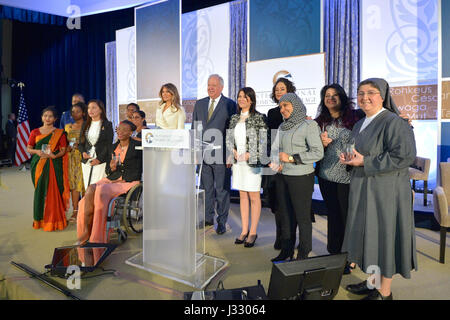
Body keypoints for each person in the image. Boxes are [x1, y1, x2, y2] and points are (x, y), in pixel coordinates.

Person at [340, 78, 417, 300]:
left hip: (387, 193)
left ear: (382, 95)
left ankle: (384, 292)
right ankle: (372, 282)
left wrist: (365, 162)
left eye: (371, 92)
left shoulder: (395, 122)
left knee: (384, 238)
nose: (365, 97)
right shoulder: (360, 123)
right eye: (361, 92)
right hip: (365, 188)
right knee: (370, 237)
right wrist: (350, 159)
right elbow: (361, 153)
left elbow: (404, 156)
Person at [314, 84, 365, 271]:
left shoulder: (356, 117)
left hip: (347, 176)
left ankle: (348, 256)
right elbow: (313, 150)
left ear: (342, 97)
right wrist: (321, 144)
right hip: (326, 175)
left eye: (335, 95)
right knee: (333, 216)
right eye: (327, 95)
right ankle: (334, 252)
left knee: (347, 217)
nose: (331, 98)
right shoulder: (320, 121)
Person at [269, 93, 323, 262]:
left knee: (302, 216)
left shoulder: (309, 125)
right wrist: (275, 160)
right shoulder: (282, 127)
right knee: (285, 215)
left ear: (296, 105)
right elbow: (275, 149)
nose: (282, 109)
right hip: (282, 176)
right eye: (280, 107)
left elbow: (317, 152)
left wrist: (292, 158)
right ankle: (286, 250)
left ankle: (304, 251)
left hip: (301, 177)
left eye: (286, 106)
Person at [76, 120, 142, 244]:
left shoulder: (137, 147)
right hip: (113, 179)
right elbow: (108, 170)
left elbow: (145, 158)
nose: (120, 132)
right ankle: (86, 231)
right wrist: (111, 168)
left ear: (131, 132)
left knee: (100, 193)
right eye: (119, 129)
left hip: (128, 181)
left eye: (124, 129)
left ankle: (96, 237)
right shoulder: (113, 147)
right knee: (87, 193)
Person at [191, 74, 237, 234]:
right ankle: (208, 218)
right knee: (206, 189)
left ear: (221, 87)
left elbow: (232, 131)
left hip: (222, 155)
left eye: (214, 85)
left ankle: (222, 221)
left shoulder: (230, 104)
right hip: (203, 155)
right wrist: (195, 152)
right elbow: (195, 129)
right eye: (209, 85)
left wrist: (230, 152)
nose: (210, 88)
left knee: (222, 190)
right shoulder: (200, 104)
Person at [226, 87, 268, 247]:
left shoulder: (259, 117)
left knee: (253, 196)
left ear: (251, 99)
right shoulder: (234, 118)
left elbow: (264, 141)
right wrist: (233, 151)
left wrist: (251, 154)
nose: (241, 99)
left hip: (253, 162)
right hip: (238, 162)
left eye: (245, 96)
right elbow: (229, 139)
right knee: (242, 195)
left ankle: (253, 232)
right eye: (239, 96)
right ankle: (244, 231)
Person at [26, 106, 70, 231]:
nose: (47, 118)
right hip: (38, 164)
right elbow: (28, 149)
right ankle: (39, 220)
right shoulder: (35, 132)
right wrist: (37, 151)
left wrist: (54, 155)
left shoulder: (60, 133)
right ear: (41, 117)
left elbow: (63, 150)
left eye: (50, 116)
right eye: (45, 115)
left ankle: (55, 220)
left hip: (54, 165)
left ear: (55, 118)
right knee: (40, 191)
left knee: (54, 190)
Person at [266, 78, 297, 250]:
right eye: (276, 89)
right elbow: (270, 139)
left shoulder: (296, 111)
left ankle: (291, 238)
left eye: (282, 88)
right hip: (275, 162)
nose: (279, 92)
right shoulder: (271, 113)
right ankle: (280, 236)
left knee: (291, 203)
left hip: (291, 162)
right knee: (277, 203)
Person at [79, 99, 113, 191]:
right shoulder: (85, 124)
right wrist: (83, 153)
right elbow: (81, 143)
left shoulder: (107, 124)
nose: (90, 110)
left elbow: (108, 145)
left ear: (101, 110)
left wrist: (99, 159)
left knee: (98, 189)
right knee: (88, 187)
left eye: (94, 107)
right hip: (87, 161)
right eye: (89, 108)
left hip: (101, 162)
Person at [65, 102, 87, 223]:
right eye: (72, 111)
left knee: (83, 184)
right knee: (73, 185)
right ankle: (75, 211)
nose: (74, 114)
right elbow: (65, 143)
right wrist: (67, 148)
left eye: (77, 111)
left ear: (83, 113)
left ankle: (85, 209)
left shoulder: (87, 126)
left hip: (83, 157)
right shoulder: (68, 127)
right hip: (71, 158)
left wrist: (81, 146)